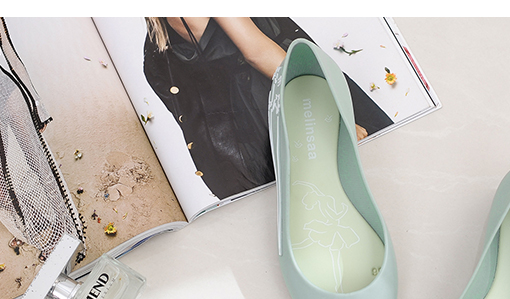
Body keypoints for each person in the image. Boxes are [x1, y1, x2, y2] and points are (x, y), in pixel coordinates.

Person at [144, 17, 393, 200]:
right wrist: (332, 116)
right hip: (305, 106)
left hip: (266, 140)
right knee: (385, 183)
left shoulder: (157, 34)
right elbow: (258, 53)